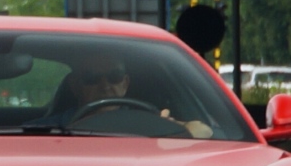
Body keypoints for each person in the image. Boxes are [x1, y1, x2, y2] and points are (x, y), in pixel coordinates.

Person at [39, 52, 213, 138]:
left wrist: (172, 127)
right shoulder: (49, 129)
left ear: (125, 84)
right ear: (75, 86)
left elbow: (205, 131)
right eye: (91, 78)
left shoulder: (149, 122)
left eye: (114, 77)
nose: (105, 86)